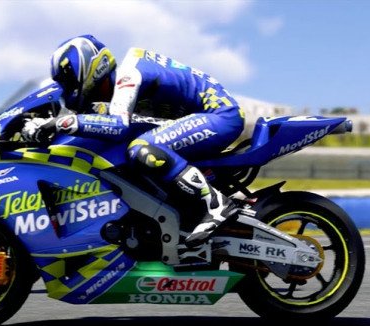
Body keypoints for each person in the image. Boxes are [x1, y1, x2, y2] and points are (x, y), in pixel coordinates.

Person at [22, 35, 245, 248]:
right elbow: (104, 119)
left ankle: (216, 205)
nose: (66, 89)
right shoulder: (119, 87)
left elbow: (117, 126)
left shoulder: (127, 75)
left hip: (220, 115)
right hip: (204, 117)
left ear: (88, 67)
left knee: (141, 148)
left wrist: (61, 123)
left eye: (67, 81)